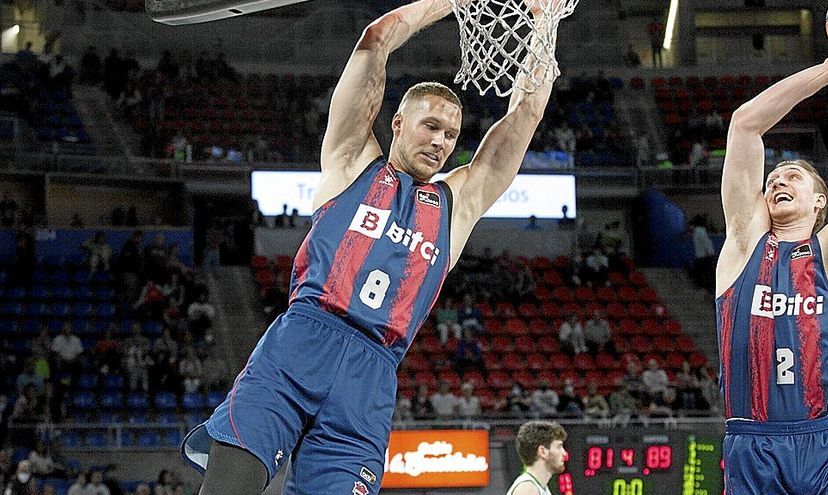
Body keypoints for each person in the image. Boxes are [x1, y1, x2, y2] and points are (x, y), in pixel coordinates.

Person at [182, 6, 558, 491]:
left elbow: (525, 116)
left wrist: (545, 23)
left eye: (450, 135)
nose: (441, 141)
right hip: (302, 341)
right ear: (397, 122)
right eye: (431, 127)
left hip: (371, 374)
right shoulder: (351, 159)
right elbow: (375, 39)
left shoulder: (456, 204)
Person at [715, 53, 828, 494]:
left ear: (820, 201)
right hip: (751, 442)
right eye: (771, 179)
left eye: (793, 176)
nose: (777, 181)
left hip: (819, 441)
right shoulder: (743, 244)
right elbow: (745, 124)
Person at [506, 421, 567, 495]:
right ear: (543, 451)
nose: (564, 453)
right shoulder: (527, 489)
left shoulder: (539, 487)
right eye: (559, 447)